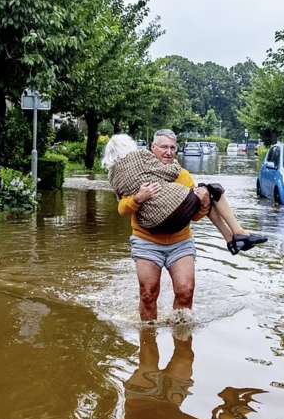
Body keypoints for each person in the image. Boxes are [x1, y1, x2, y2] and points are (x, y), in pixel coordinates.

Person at [106, 130, 266, 322]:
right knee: (148, 294)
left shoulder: (182, 175)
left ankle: (181, 338)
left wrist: (205, 203)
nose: (169, 152)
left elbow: (196, 217)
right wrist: (139, 198)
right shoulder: (135, 175)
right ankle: (148, 339)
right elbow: (122, 209)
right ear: (152, 148)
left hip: (180, 243)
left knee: (185, 291)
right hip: (147, 242)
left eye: (173, 147)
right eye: (164, 147)